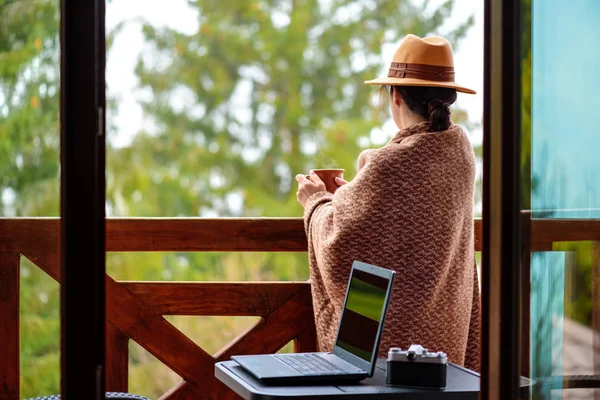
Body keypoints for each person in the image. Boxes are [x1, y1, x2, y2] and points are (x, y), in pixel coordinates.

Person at [295, 34, 480, 371]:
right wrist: (359, 197)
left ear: (395, 96)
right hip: (445, 342)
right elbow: (412, 214)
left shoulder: (387, 166)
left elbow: (341, 245)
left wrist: (317, 201)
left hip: (388, 356)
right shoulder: (461, 151)